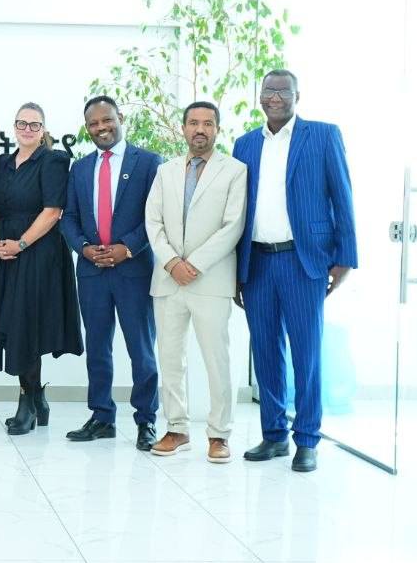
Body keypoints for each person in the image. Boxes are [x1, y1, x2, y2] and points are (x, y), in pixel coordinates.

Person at [233, 69, 357, 472]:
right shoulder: (245, 144)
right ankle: (274, 436)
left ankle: (307, 439)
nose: (275, 97)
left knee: (306, 354)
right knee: (265, 352)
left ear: (297, 96)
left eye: (283, 91)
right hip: (257, 262)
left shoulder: (322, 136)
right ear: (260, 96)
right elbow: (237, 210)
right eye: (268, 90)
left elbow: (343, 197)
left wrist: (345, 258)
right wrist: (235, 269)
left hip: (303, 262)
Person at [145, 101, 247, 463]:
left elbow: (232, 226)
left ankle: (219, 434)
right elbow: (152, 221)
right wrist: (173, 262)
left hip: (211, 280)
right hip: (168, 280)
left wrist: (195, 264)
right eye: (193, 122)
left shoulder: (235, 171)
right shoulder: (166, 171)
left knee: (217, 359)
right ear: (184, 128)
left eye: (207, 123)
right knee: (170, 358)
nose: (199, 129)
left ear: (217, 129)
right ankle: (176, 428)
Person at [60, 96, 161, 447]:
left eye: (107, 120)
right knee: (98, 348)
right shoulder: (80, 168)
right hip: (92, 272)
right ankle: (102, 417)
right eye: (93, 123)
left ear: (120, 118)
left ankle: (146, 420)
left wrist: (127, 248)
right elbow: (69, 218)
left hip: (134, 271)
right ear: (87, 128)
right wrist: (84, 248)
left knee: (141, 350)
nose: (101, 128)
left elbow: (155, 217)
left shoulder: (148, 162)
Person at [0, 102, 83, 435]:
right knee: (17, 325)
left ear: (43, 130)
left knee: (27, 325)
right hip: (9, 255)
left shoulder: (53, 160)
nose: (27, 129)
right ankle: (37, 399)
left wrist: (20, 244)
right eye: (22, 123)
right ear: (14, 127)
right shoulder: (2, 163)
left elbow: (53, 211)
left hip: (40, 253)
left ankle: (28, 403)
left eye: (34, 124)